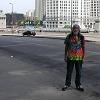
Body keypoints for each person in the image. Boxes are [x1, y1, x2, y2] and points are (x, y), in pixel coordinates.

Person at [62, 24, 85, 91]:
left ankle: (78, 85)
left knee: (79, 72)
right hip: (70, 57)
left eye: (77, 28)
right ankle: (67, 84)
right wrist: (65, 56)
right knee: (69, 72)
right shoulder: (69, 36)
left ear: (79, 29)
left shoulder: (82, 37)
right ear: (72, 29)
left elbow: (83, 47)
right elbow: (66, 47)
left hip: (79, 58)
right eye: (74, 28)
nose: (75, 29)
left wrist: (83, 57)